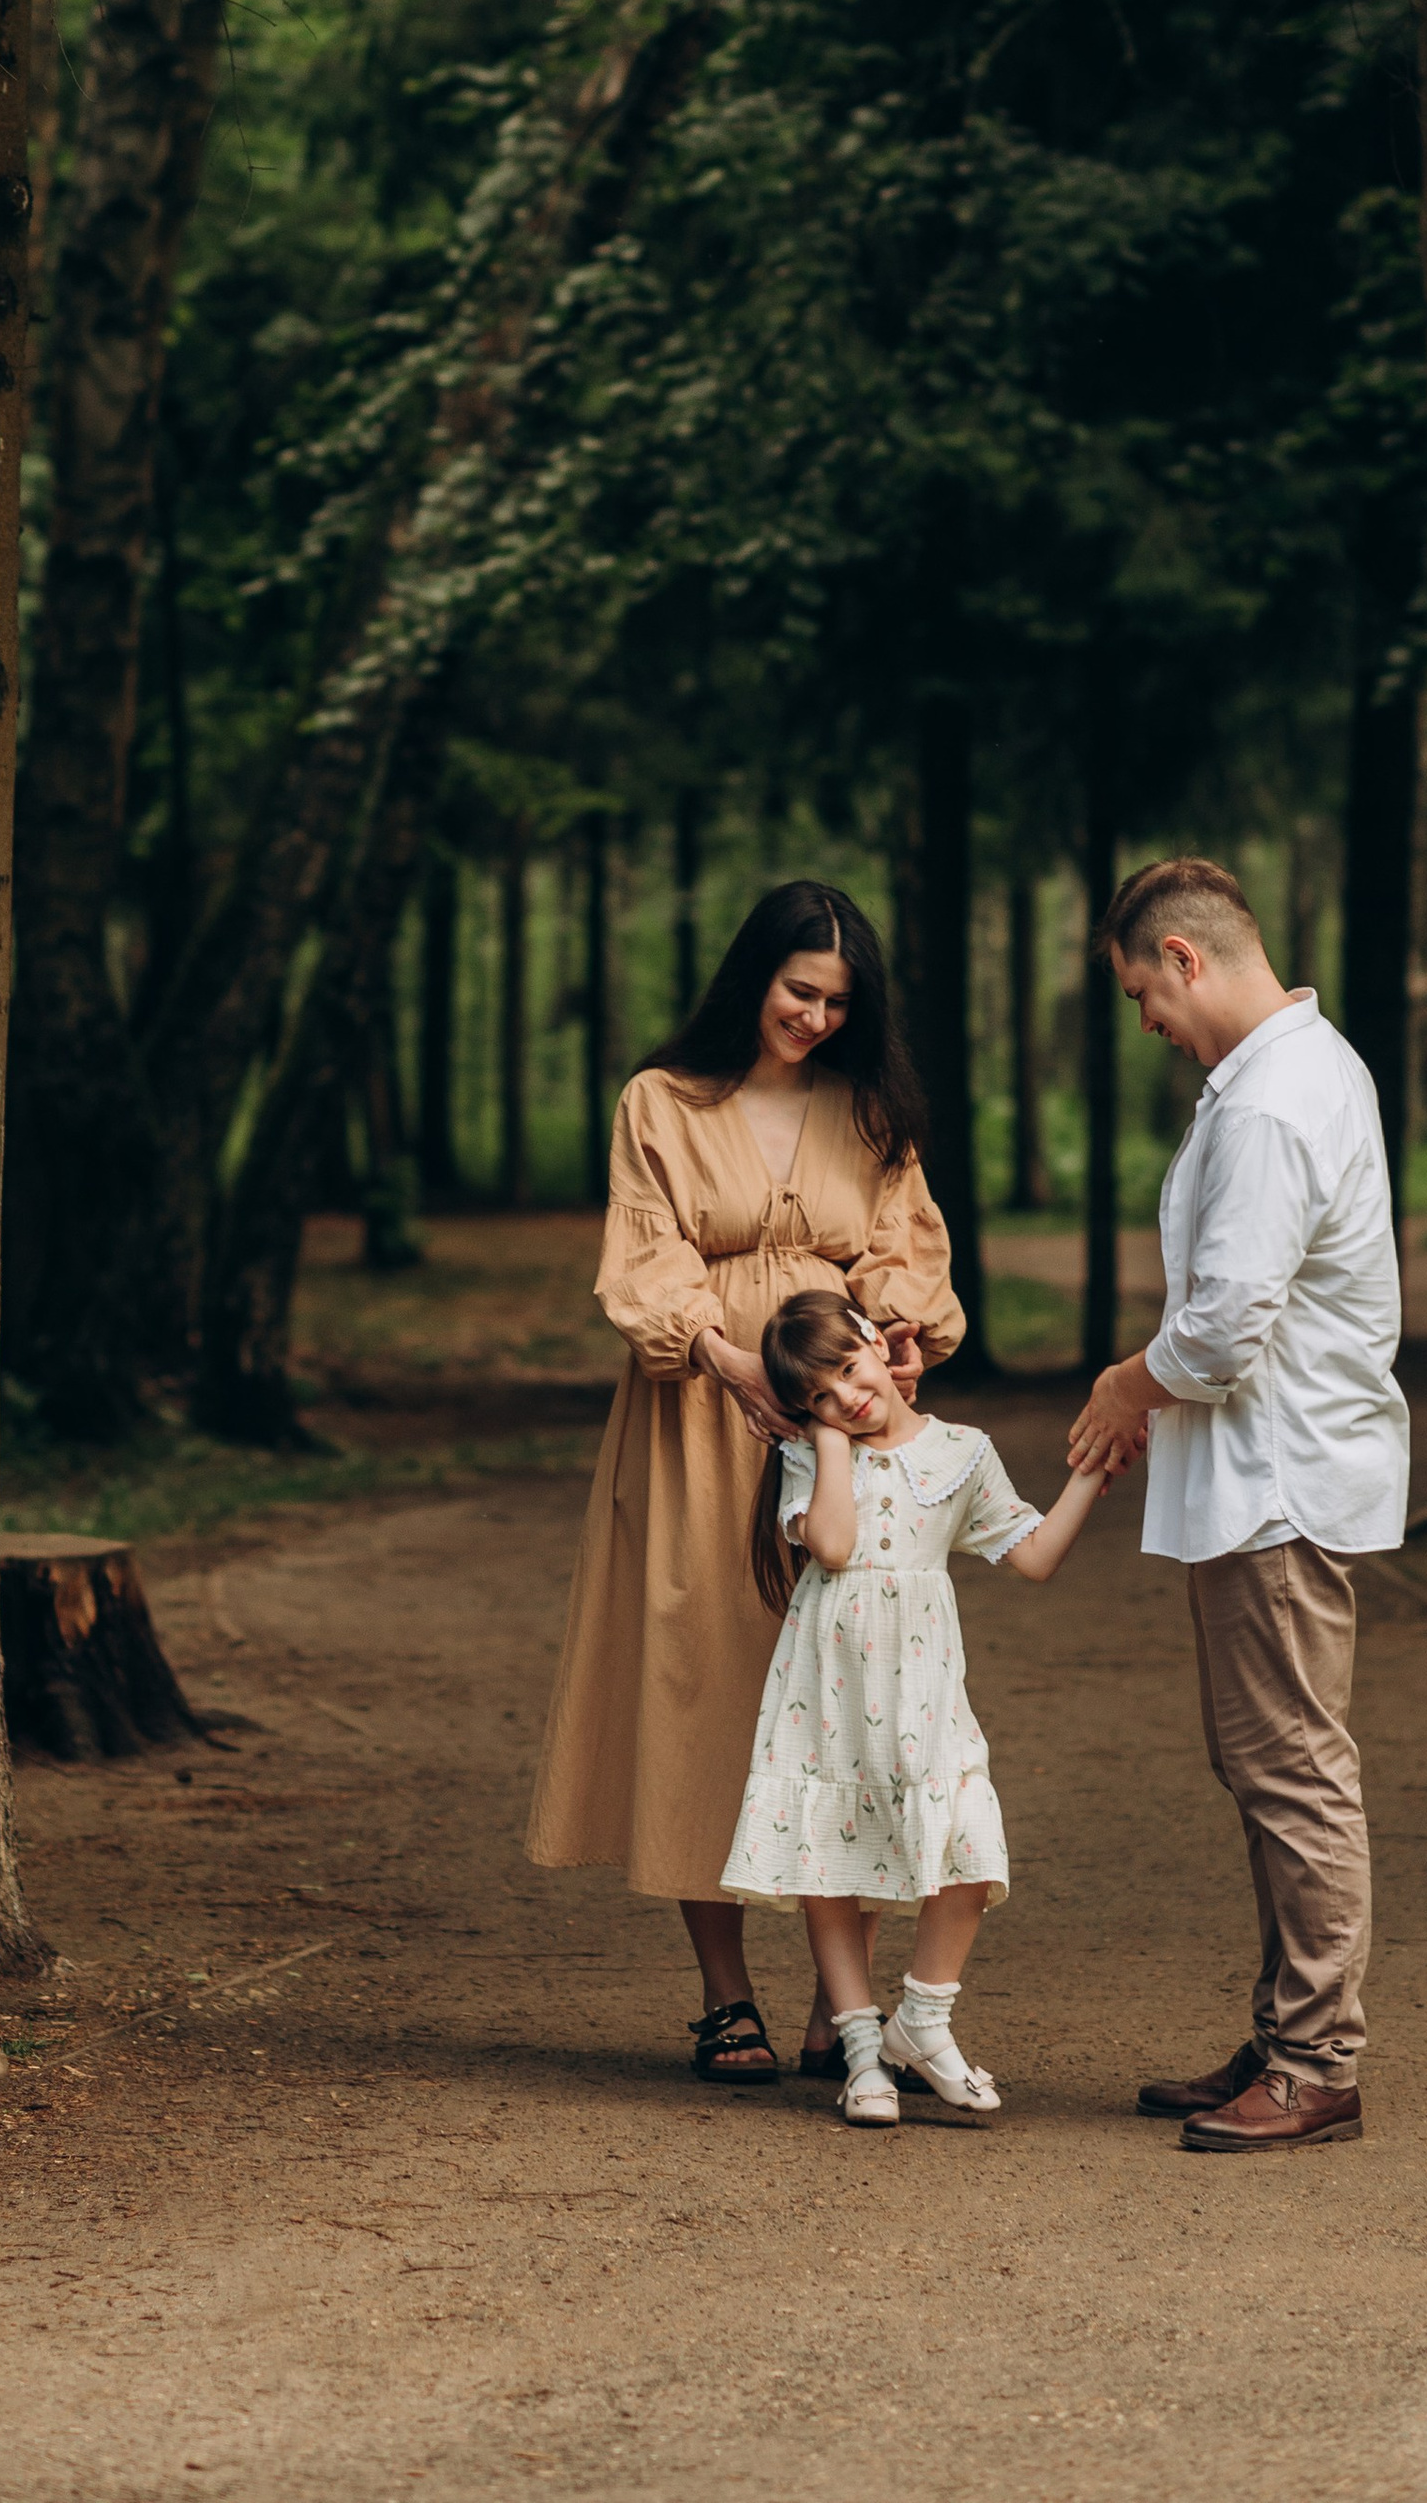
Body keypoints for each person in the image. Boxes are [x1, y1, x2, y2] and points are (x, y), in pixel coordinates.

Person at [524, 882, 965, 2085]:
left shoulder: (868, 1111)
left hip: (836, 1415)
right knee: (703, 1680)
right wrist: (719, 1359)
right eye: (797, 991)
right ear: (752, 980)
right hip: (692, 1426)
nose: (815, 1018)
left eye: (837, 1002)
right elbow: (644, 1254)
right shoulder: (661, 1103)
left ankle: (844, 2006)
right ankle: (727, 1999)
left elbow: (901, 1249)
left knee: (853, 1685)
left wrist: (901, 1330)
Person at [1067, 854, 1409, 2155]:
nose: (1145, 1022)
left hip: (1281, 1476)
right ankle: (1286, 2031)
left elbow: (1221, 1329)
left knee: (1294, 1769)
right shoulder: (1303, 1071)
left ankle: (1317, 2058)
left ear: (1185, 960)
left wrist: (1120, 1387)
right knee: (1269, 1760)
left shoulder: (1272, 1102)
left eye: (1140, 995)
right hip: (1273, 1468)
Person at [723, 1292, 1108, 2123]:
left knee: (969, 1845)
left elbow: (1033, 1554)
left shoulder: (963, 1452)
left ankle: (923, 2024)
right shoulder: (811, 1454)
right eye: (818, 1396)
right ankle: (862, 2053)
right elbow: (830, 1545)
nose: (844, 1400)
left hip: (923, 1687)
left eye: (849, 1373)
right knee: (830, 1857)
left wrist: (1092, 1474)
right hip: (828, 1684)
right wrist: (827, 1438)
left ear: (875, 1342)